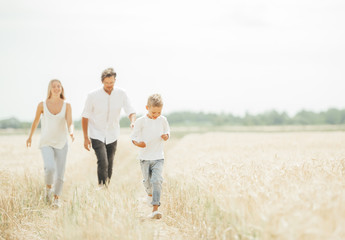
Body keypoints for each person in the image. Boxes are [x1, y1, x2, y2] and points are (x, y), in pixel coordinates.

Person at [82, 67, 136, 187]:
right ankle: (101, 186)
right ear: (102, 81)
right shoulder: (92, 95)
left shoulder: (121, 93)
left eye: (111, 82)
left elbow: (130, 111)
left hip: (113, 133)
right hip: (96, 133)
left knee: (110, 162)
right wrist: (86, 137)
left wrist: (132, 121)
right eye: (106, 83)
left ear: (115, 80)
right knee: (103, 161)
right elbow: (85, 116)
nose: (109, 85)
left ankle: (106, 187)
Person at [26, 79, 74, 208]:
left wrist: (71, 132)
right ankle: (48, 189)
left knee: (60, 173)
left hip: (61, 142)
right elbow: (36, 121)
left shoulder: (66, 105)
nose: (57, 88)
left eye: (59, 86)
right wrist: (30, 137)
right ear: (50, 89)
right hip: (46, 142)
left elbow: (70, 122)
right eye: (54, 86)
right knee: (50, 168)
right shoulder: (42, 104)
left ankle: (56, 199)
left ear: (62, 88)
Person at [131, 94, 170, 219]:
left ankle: (155, 208)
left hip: (158, 157)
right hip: (144, 158)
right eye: (153, 112)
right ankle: (149, 194)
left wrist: (166, 136)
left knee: (156, 180)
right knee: (147, 182)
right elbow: (133, 137)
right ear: (147, 107)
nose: (156, 115)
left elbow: (167, 131)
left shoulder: (163, 120)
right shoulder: (140, 122)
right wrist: (138, 143)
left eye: (159, 112)